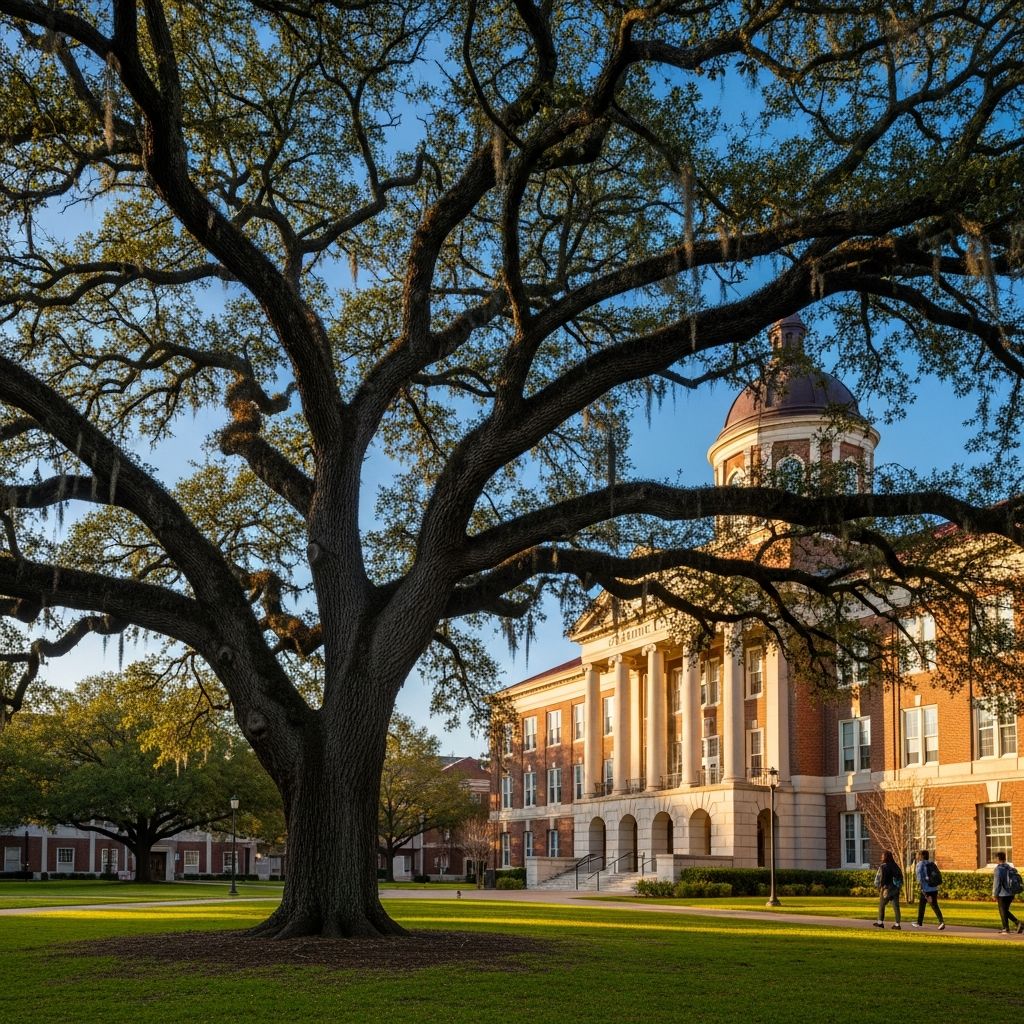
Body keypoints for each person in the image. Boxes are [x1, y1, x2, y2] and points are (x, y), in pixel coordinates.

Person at [911, 850, 945, 930]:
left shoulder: (920, 864)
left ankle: (920, 922)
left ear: (921, 856)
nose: (917, 856)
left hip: (926, 889)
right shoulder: (932, 863)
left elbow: (919, 878)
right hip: (934, 888)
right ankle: (941, 922)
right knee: (932, 905)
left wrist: (920, 886)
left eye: (918, 855)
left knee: (924, 906)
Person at [873, 850, 904, 930]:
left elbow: (878, 878)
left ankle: (880, 923)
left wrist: (878, 886)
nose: (881, 858)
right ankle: (897, 924)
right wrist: (898, 887)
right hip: (895, 889)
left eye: (882, 856)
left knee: (881, 905)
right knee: (896, 907)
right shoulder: (896, 866)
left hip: (886, 889)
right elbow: (900, 877)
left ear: (885, 857)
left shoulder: (883, 866)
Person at [992, 851, 1022, 934]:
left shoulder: (998, 869)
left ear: (998, 858)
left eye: (995, 858)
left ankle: (1006, 928)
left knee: (1002, 911)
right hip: (1011, 893)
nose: (994, 860)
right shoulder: (1010, 867)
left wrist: (995, 894)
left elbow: (997, 883)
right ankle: (1018, 923)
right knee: (1005, 910)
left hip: (1002, 894)